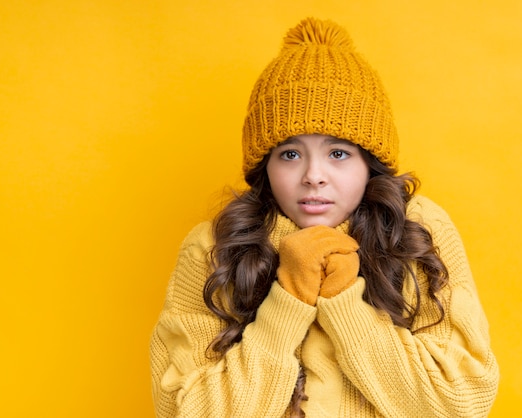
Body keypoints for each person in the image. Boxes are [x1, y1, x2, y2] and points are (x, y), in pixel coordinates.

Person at [149, 17, 499, 417]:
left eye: (338, 154)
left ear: (370, 164)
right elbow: (182, 411)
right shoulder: (213, 246)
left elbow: (461, 405)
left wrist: (344, 300)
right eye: (290, 154)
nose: (313, 176)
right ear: (265, 166)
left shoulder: (418, 230)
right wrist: (288, 300)